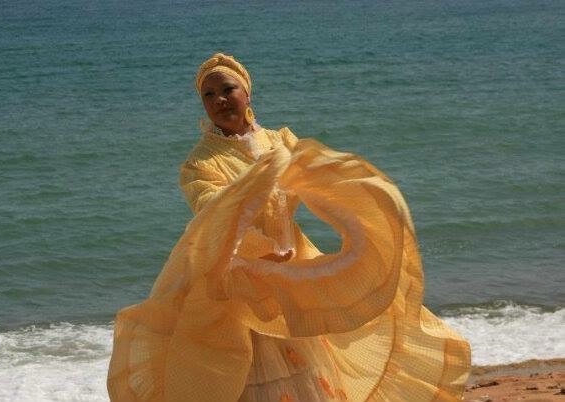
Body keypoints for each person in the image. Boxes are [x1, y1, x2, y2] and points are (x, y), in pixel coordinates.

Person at [107, 53, 471, 402]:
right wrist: (258, 209)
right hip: (239, 275)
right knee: (250, 368)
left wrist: (364, 208)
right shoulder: (200, 164)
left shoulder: (280, 141)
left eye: (228, 89)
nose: (219, 99)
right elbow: (213, 209)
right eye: (209, 94)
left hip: (291, 268)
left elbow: (320, 181)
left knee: (307, 366)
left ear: (247, 92)